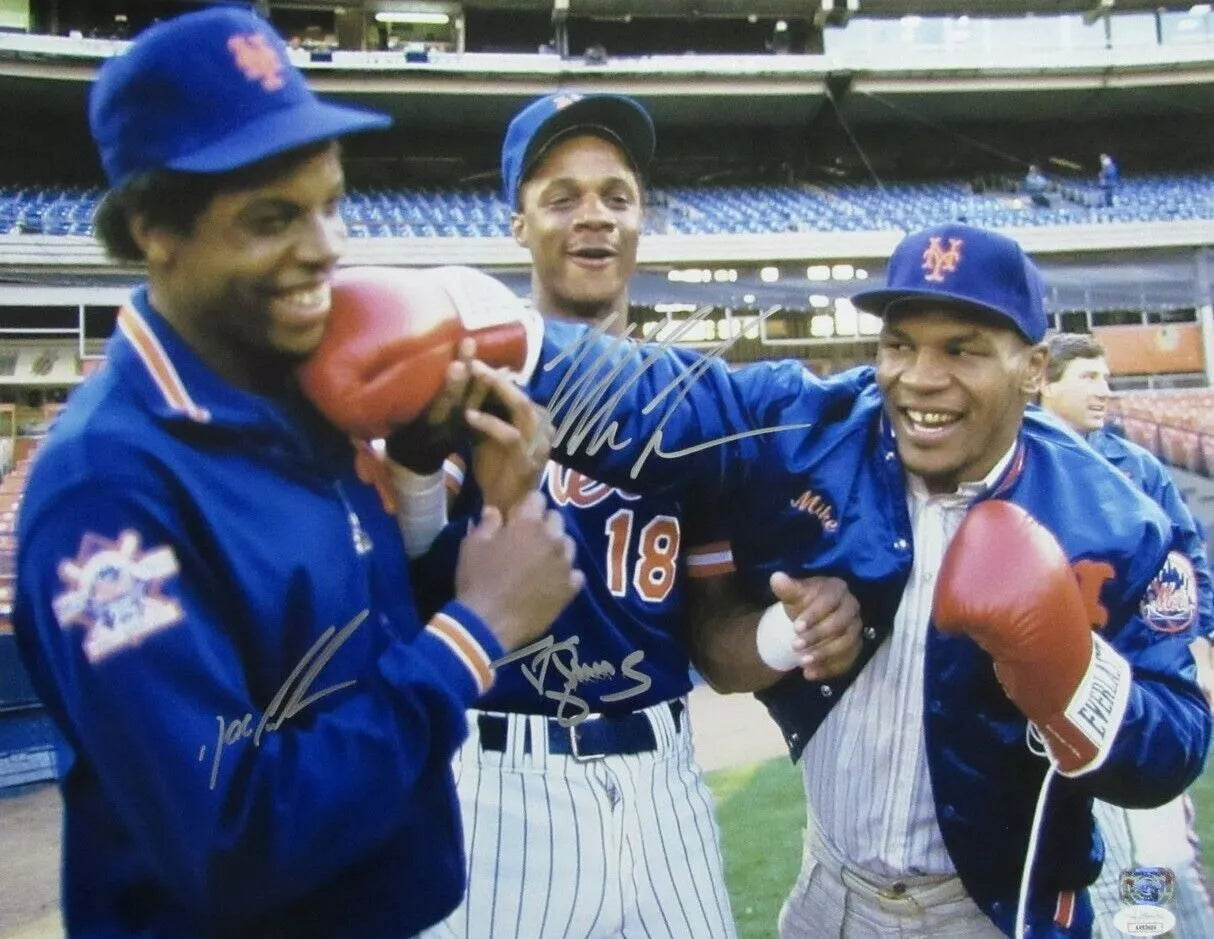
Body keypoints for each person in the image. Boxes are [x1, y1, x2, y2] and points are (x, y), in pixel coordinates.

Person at [302, 215, 1212, 938]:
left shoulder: (1117, 512)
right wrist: (492, 334)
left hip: (1002, 910)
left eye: (963, 349)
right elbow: (668, 397)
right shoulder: (817, 427)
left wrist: (1067, 675)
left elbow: (1172, 745)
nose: (919, 378)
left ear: (1032, 366)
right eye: (900, 344)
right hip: (829, 898)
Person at [11, 9, 582, 937]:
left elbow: (349, 657)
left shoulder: (298, 396)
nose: (323, 246)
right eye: (274, 217)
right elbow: (226, 837)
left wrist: (456, 494)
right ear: (156, 228)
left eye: (330, 203)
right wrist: (477, 634)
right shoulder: (105, 493)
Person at [407, 90, 861, 939]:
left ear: (643, 219)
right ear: (517, 224)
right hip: (503, 781)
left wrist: (789, 634)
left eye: (617, 195)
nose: (595, 218)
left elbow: (715, 648)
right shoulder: (463, 385)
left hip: (664, 782)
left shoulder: (694, 410)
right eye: (562, 196)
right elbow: (401, 593)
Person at [1041, 331, 1214, 938]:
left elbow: (1185, 561)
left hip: (1138, 690)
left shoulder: (1135, 467)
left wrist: (1196, 647)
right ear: (1043, 381)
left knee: (1161, 858)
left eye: (1106, 377)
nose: (1104, 390)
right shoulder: (1015, 465)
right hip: (1050, 702)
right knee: (1092, 872)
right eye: (1088, 377)